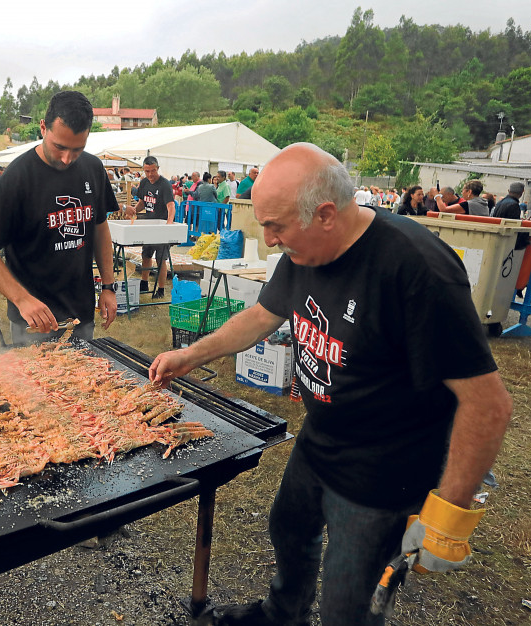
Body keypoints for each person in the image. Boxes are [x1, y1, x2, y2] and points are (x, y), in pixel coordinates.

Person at [149, 143, 512, 626]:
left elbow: (487, 405)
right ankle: (284, 615)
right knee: (288, 531)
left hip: (384, 471)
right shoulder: (305, 253)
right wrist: (190, 355)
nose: (269, 240)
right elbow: (262, 315)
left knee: (348, 602)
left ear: (325, 214)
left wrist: (449, 514)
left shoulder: (415, 269)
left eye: (276, 226)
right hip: (320, 442)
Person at [0, 90, 118, 344]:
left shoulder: (93, 169)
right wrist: (22, 299)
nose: (66, 158)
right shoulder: (17, 177)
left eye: (77, 149)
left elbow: (100, 228)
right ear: (43, 128)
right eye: (59, 147)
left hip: (81, 312)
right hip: (34, 322)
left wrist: (108, 286)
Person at [124, 156, 176, 299]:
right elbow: (142, 202)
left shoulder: (164, 184)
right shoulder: (144, 183)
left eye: (153, 171)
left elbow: (171, 205)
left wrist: (169, 223)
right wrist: (134, 210)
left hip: (161, 227)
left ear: (157, 169)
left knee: (161, 259)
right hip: (148, 224)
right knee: (146, 254)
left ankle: (160, 289)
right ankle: (144, 282)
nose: (150, 174)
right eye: (147, 171)